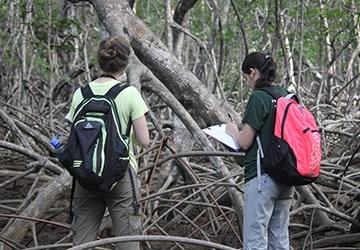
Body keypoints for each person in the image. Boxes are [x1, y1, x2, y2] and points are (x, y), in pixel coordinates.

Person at [65, 36, 149, 250]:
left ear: (100, 61)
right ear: (125, 63)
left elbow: (74, 137)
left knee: (81, 245)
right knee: (128, 244)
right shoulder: (130, 94)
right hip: (121, 176)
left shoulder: (80, 94)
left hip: (84, 176)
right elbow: (144, 140)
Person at [225, 52, 294, 250]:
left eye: (246, 77)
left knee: (255, 240)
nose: (248, 82)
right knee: (279, 240)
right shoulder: (285, 95)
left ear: (253, 72)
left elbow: (244, 142)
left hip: (262, 178)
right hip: (285, 176)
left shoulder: (259, 97)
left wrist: (232, 130)